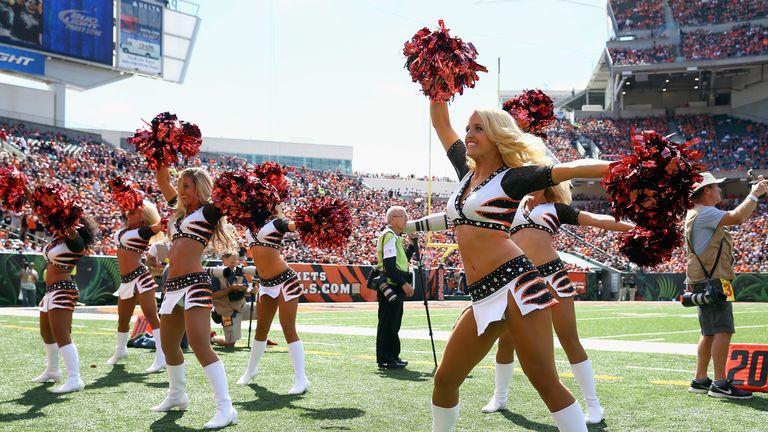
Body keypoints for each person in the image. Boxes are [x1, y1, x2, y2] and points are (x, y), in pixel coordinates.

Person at [429, 100, 611, 432]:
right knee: (445, 379)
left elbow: (572, 169)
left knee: (544, 379)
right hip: (482, 293)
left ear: (498, 136)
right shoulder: (465, 172)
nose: (469, 134)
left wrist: (631, 167)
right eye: (468, 128)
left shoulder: (513, 178)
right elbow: (441, 123)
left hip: (518, 285)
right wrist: (436, 84)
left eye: (479, 128)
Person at [481, 184, 633, 424]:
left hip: (552, 275)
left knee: (568, 338)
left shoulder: (556, 209)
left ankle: (594, 405)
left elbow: (596, 219)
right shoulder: (512, 205)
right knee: (506, 341)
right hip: (517, 278)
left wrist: (635, 228)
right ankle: (500, 397)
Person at [152, 166, 239, 429]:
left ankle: (226, 409)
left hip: (195, 284)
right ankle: (177, 395)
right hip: (172, 285)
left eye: (186, 186)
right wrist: (161, 154)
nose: (181, 190)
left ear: (199, 189)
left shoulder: (208, 211)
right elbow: (162, 180)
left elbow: (234, 200)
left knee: (200, 345)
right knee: (168, 345)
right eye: (180, 185)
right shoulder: (181, 211)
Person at [685, 172, 767, 400]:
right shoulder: (706, 212)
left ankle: (700, 379)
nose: (719, 190)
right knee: (723, 329)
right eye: (716, 187)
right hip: (716, 280)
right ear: (706, 191)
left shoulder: (695, 213)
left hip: (703, 279)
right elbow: (737, 217)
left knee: (709, 332)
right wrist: (755, 194)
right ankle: (720, 384)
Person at [28, 187, 99, 393]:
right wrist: (26, 191)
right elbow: (41, 212)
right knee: (46, 333)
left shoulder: (75, 242)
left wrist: (67, 217)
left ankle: (75, 379)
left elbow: (72, 232)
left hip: (63, 290)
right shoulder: (57, 238)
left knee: (62, 334)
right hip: (50, 292)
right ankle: (52, 370)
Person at [237, 204, 309, 395]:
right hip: (266, 283)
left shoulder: (277, 223)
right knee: (261, 328)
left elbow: (293, 225)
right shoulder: (249, 226)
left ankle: (301, 379)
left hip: (286, 281)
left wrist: (311, 220)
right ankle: (250, 370)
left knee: (288, 327)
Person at [105, 201, 166, 373]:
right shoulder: (124, 231)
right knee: (123, 319)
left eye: (134, 212)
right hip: (126, 280)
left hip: (141, 278)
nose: (129, 214)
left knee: (151, 316)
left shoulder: (143, 231)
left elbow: (160, 225)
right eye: (128, 211)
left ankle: (161, 356)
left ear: (143, 216)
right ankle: (120, 350)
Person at [375, 206, 416, 369]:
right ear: (392, 219)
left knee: (394, 322)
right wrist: (403, 283)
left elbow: (402, 261)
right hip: (391, 284)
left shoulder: (395, 237)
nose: (406, 219)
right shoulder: (389, 235)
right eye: (403, 216)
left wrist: (411, 245)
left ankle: (392, 356)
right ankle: (386, 358)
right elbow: (390, 266)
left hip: (394, 284)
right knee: (388, 322)